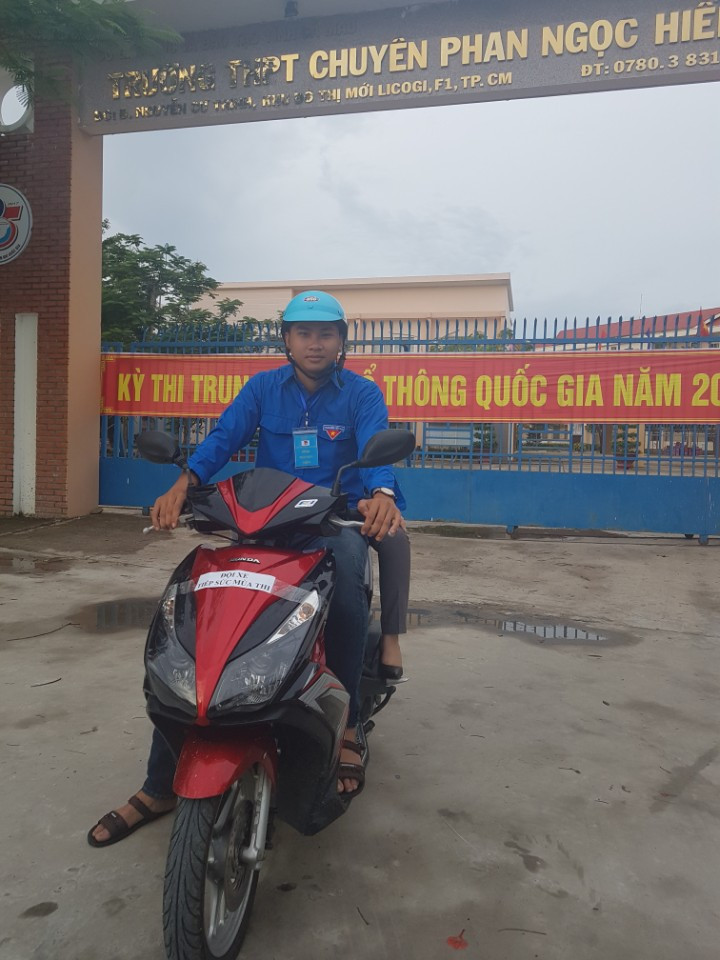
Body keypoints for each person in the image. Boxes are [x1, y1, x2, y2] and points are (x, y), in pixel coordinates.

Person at [88, 290, 410, 847]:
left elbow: (376, 447)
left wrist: (381, 491)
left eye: (326, 333)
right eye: (303, 333)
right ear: (286, 340)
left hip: (332, 521)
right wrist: (184, 483)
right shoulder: (262, 389)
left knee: (348, 580)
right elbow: (223, 438)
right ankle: (160, 783)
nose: (315, 343)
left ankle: (349, 723)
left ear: (341, 341)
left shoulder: (361, 393)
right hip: (267, 521)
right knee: (204, 614)